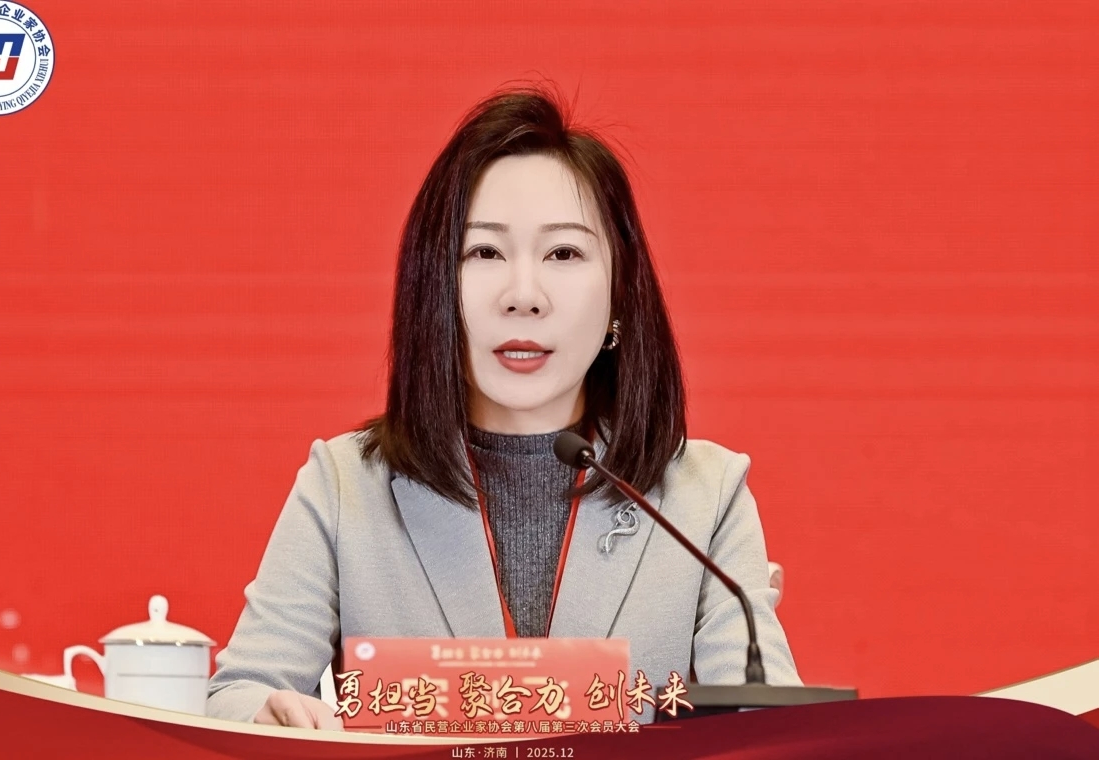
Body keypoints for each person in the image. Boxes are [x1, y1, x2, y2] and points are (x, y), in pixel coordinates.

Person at [206, 84, 800, 729]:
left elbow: (771, 725)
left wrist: (743, 700)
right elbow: (238, 693)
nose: (523, 295)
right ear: (435, 286)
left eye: (563, 253)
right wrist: (269, 716)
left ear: (620, 293)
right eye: (484, 252)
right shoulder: (345, 486)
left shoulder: (706, 499)